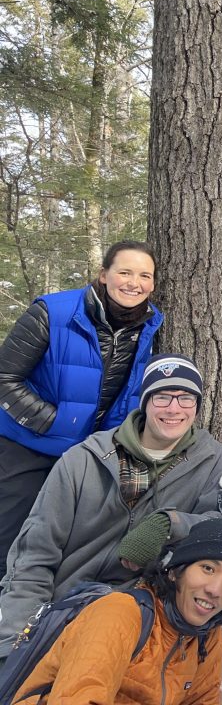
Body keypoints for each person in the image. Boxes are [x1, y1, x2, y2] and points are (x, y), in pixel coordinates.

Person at [0, 354, 222, 659]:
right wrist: (17, 640)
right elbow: (33, 555)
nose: (174, 408)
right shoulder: (85, 459)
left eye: (186, 398)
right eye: (162, 397)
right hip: (59, 612)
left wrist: (170, 524)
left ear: (197, 406)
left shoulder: (211, 461)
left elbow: (221, 528)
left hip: (136, 621)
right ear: (145, 402)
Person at [0, 241, 163, 579]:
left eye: (145, 275)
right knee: (10, 534)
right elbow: (5, 377)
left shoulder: (149, 327)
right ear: (104, 275)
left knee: (64, 535)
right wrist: (53, 422)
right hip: (26, 444)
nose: (134, 283)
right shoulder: (53, 312)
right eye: (125, 272)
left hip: (88, 453)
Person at [11, 517, 222, 704]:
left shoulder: (206, 638)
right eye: (208, 568)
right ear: (175, 571)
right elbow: (79, 696)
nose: (216, 589)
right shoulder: (120, 613)